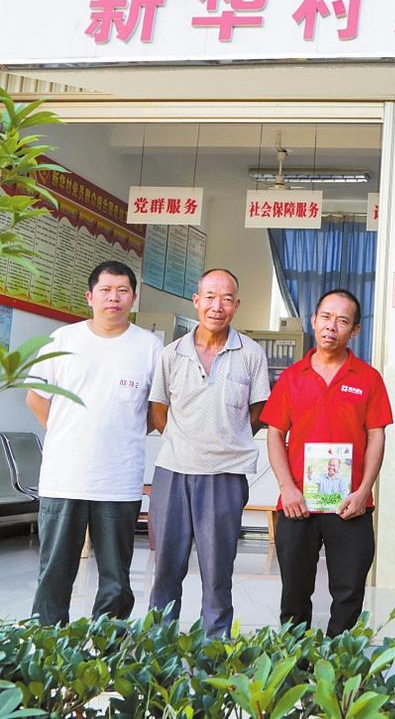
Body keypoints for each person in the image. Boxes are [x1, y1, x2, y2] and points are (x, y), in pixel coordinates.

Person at [27, 261, 162, 625]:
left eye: (122, 291)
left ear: (133, 298)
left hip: (119, 481)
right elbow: (36, 398)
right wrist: (68, 434)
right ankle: (49, 642)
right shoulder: (62, 340)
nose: (113, 298)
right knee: (55, 572)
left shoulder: (150, 347)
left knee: (116, 578)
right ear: (90, 297)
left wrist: (120, 434)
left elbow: (155, 411)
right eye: (105, 290)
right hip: (64, 478)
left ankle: (107, 645)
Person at [261, 289, 392, 637]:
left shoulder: (368, 378)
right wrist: (287, 489)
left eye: (342, 321)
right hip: (298, 505)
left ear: (355, 330)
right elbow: (275, 435)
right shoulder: (292, 377)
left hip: (350, 505)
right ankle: (294, 664)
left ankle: (338, 663)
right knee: (294, 595)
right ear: (314, 320)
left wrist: (364, 491)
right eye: (326, 317)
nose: (332, 326)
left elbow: (377, 437)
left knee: (349, 593)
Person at [148, 268, 270, 638]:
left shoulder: (251, 353)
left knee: (218, 570)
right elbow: (158, 409)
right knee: (166, 565)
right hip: (173, 472)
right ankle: (160, 643)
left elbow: (259, 411)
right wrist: (184, 442)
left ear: (236, 305)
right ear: (196, 301)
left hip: (225, 475)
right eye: (210, 297)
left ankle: (214, 645)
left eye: (226, 299)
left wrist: (227, 440)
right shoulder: (171, 354)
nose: (218, 306)